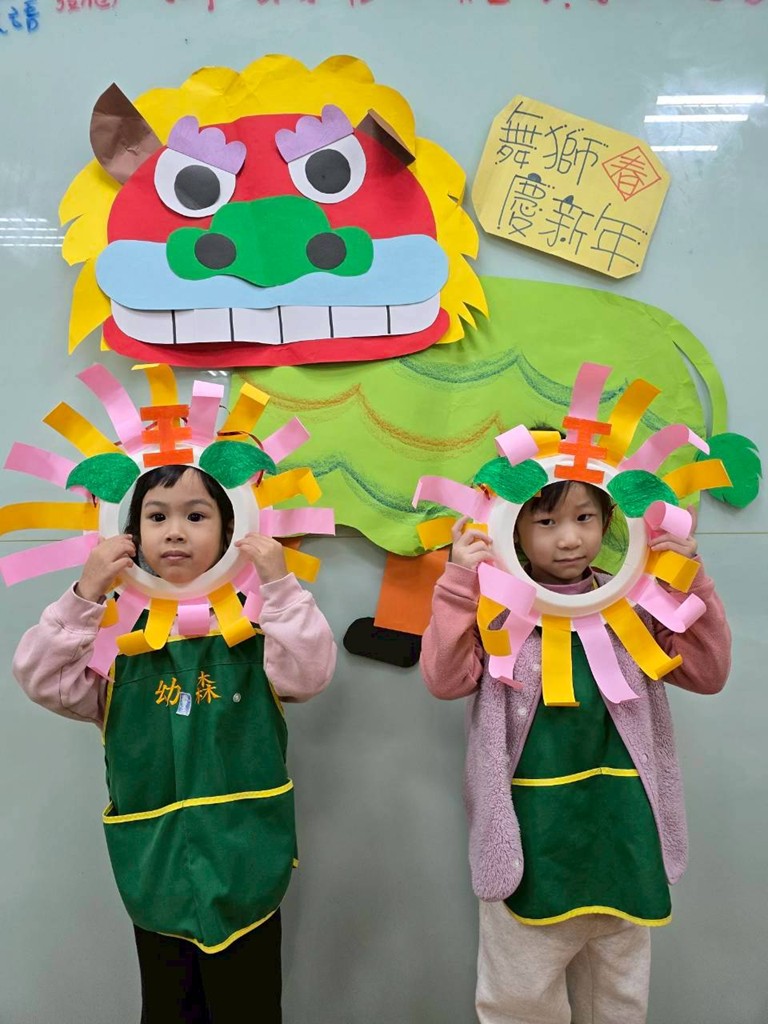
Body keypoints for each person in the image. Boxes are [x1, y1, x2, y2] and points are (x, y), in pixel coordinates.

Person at [13, 464, 337, 1024]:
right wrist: (85, 595)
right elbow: (41, 677)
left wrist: (280, 588)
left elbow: (310, 673)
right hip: (157, 867)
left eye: (196, 515)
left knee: (250, 1009)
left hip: (245, 863)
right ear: (131, 532)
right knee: (168, 1009)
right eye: (157, 517)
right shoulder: (114, 637)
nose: (176, 532)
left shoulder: (257, 630)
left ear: (231, 528)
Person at [419, 477, 731, 1024]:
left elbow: (707, 672)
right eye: (547, 522)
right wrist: (458, 585)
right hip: (530, 847)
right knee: (520, 1001)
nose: (569, 539)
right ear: (513, 529)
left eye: (584, 518)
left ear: (608, 523)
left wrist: (690, 579)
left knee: (618, 1000)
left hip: (624, 840)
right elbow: (445, 680)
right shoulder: (495, 607)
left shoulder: (638, 602)